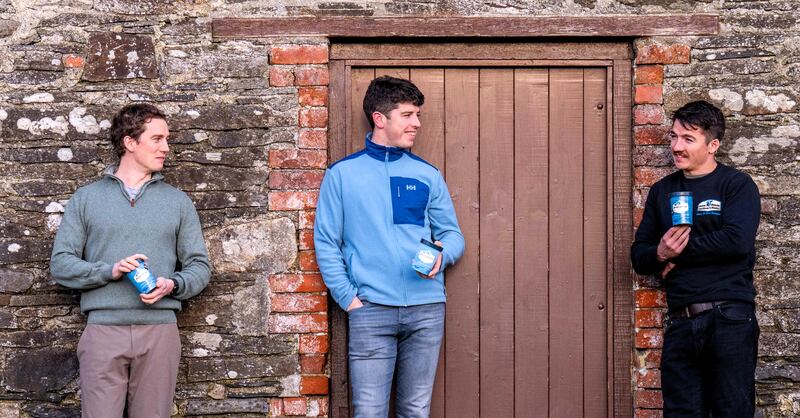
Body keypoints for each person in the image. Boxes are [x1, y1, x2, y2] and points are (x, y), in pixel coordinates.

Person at [315, 76, 465, 417]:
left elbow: (453, 235)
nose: (417, 123)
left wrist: (443, 255)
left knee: (415, 409)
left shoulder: (427, 174)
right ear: (380, 118)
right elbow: (326, 241)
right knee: (369, 411)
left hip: (427, 309)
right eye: (408, 115)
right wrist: (349, 300)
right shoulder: (342, 175)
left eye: (418, 115)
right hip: (370, 309)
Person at [50, 103, 211, 418]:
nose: (166, 147)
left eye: (166, 139)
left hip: (160, 332)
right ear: (130, 142)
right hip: (102, 331)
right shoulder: (87, 198)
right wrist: (109, 270)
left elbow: (200, 267)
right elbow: (61, 264)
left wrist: (172, 284)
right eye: (157, 139)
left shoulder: (178, 202)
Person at [631, 100, 760, 417]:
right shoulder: (662, 191)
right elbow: (640, 255)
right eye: (673, 137)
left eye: (688, 139)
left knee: (732, 411)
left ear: (713, 144)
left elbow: (736, 241)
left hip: (728, 317)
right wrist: (660, 253)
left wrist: (679, 254)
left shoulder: (736, 185)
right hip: (681, 322)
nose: (676, 146)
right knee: (681, 413)